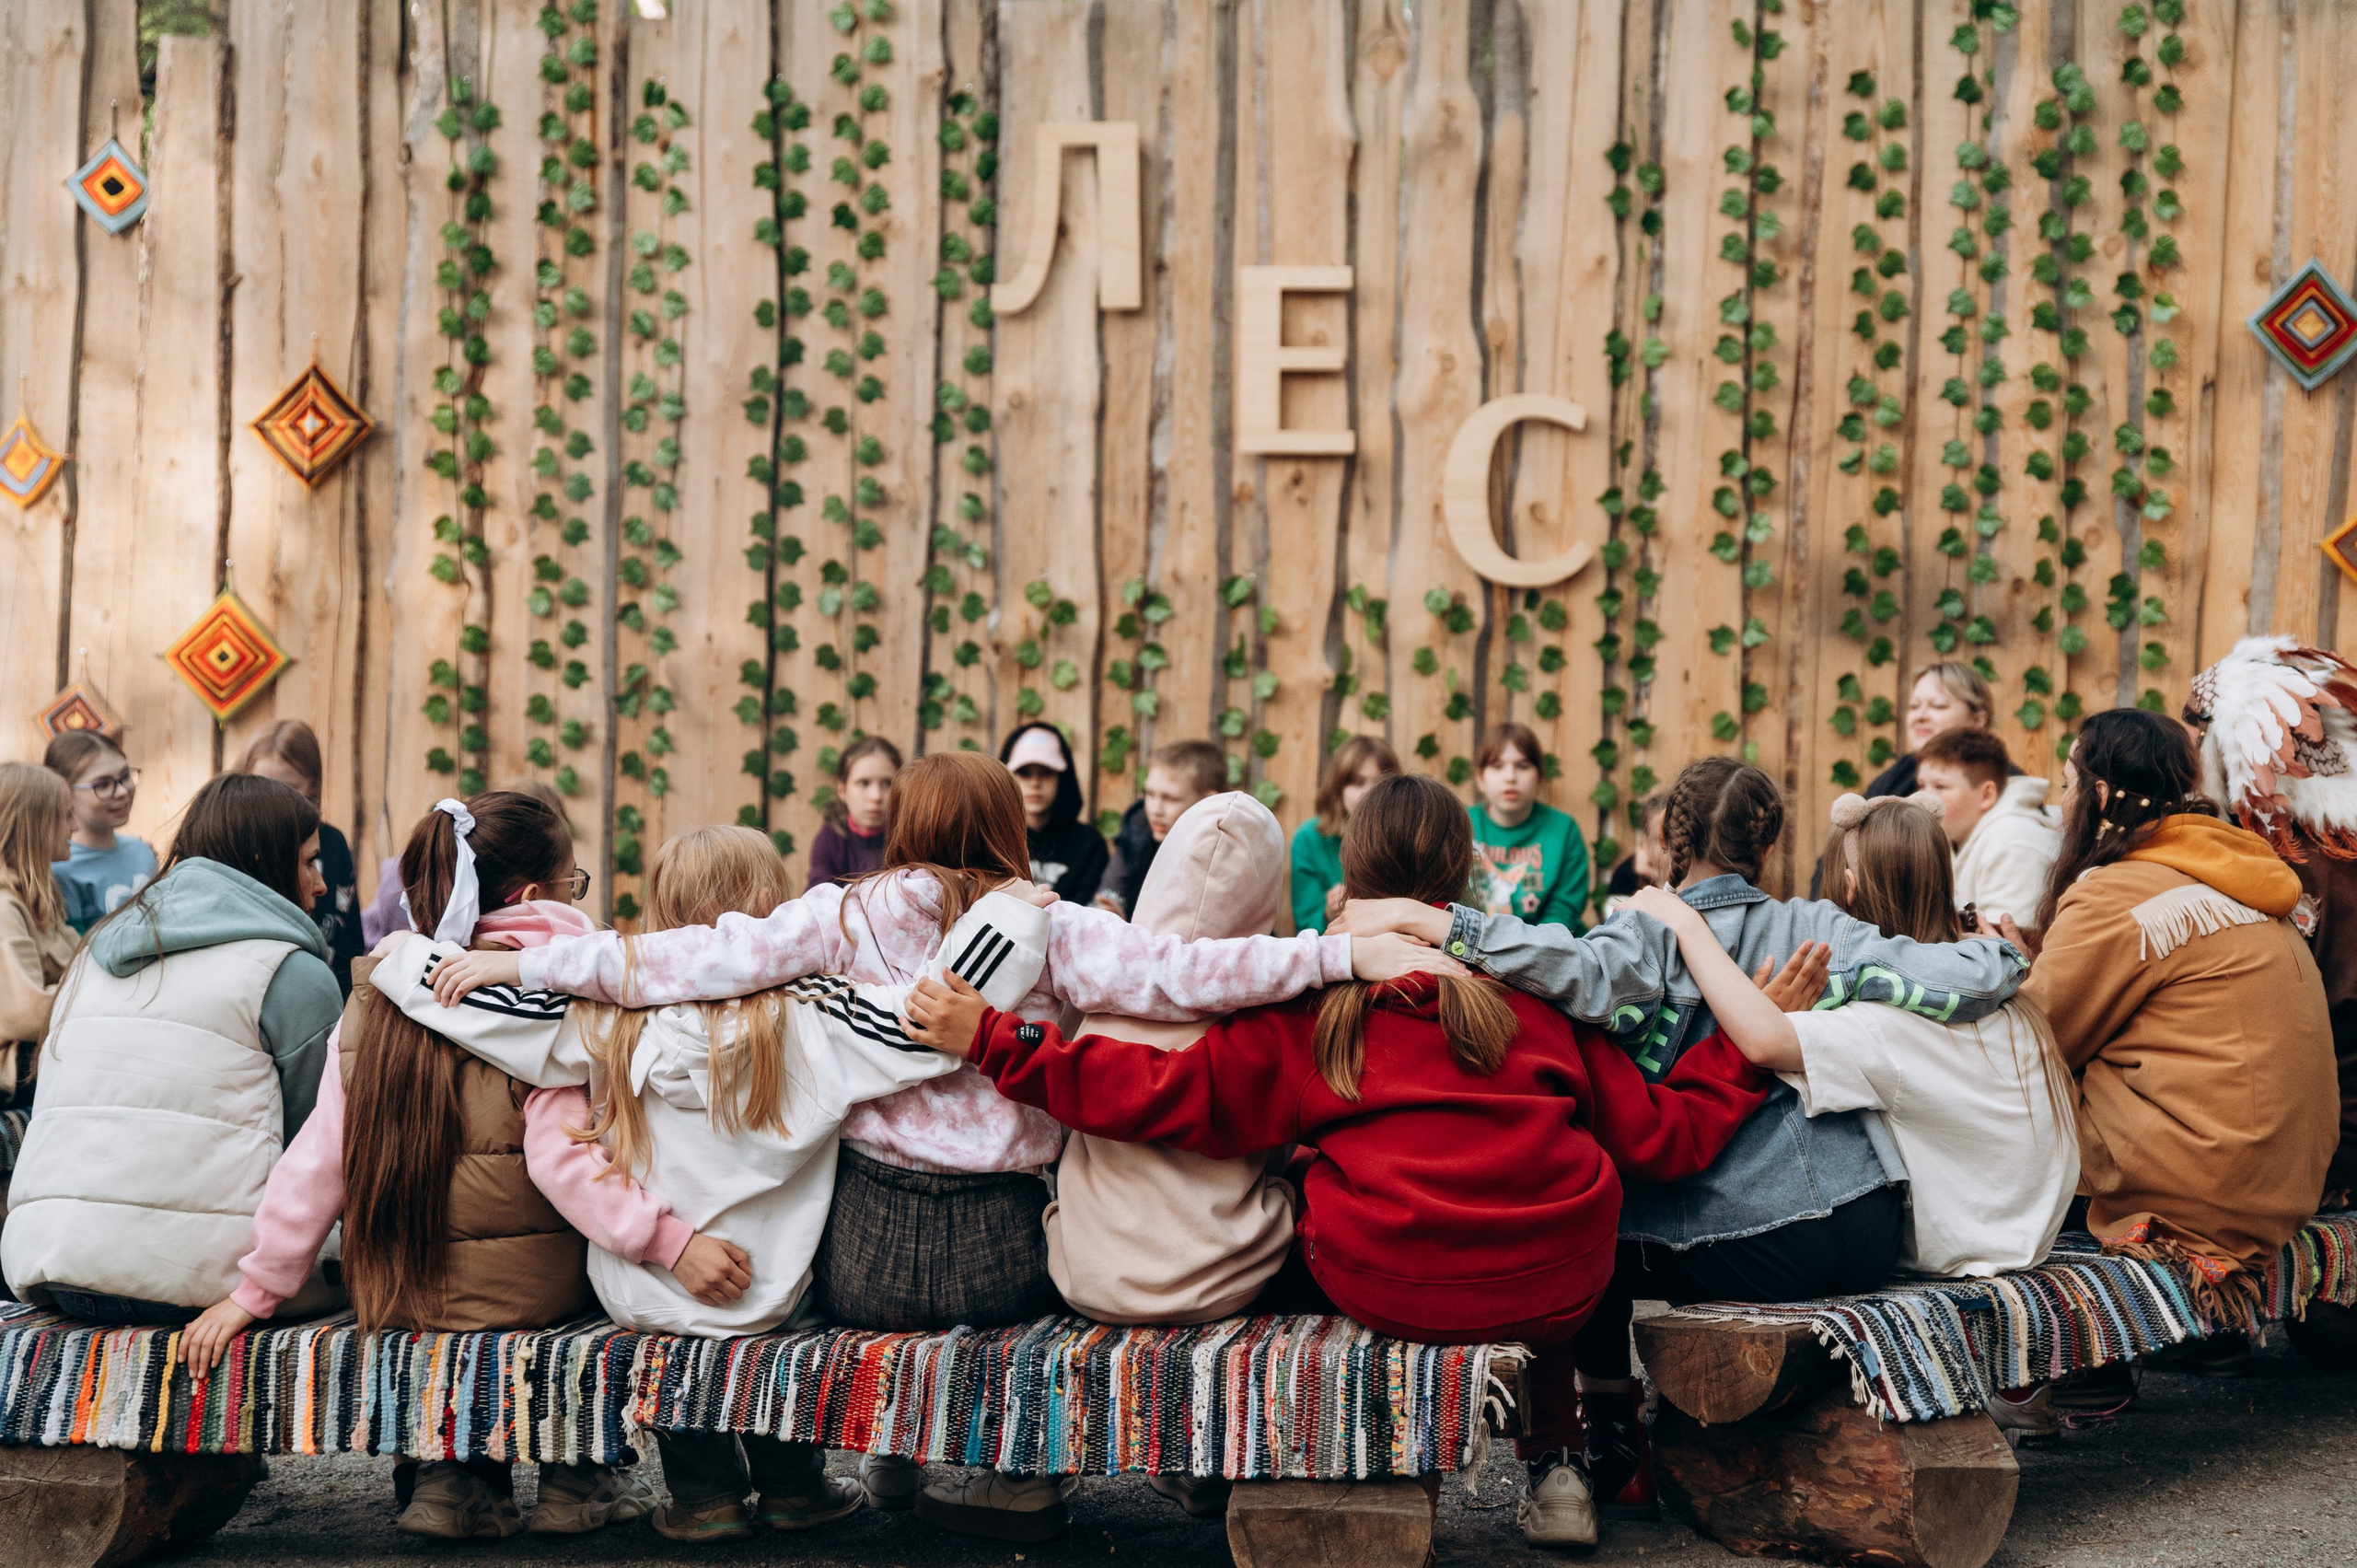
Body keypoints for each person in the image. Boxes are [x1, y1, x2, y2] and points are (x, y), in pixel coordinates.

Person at [421, 750, 1452, 1543]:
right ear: (1008, 831)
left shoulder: (842, 912)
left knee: (816, 1222)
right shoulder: (1051, 923)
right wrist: (1341, 949)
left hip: (866, 1254)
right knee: (1069, 1225)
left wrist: (552, 968)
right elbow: (1187, 970)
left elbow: (694, 958)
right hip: (1006, 1256)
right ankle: (1010, 1470)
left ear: (902, 828)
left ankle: (889, 1462)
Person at [901, 773, 1791, 1551]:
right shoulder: (1539, 1001)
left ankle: (1234, 1451)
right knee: (1545, 1190)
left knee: (1294, 1188)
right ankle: (1558, 1464)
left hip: (1389, 1284)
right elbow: (1662, 1139)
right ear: (1467, 875)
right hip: (1554, 1287)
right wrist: (1746, 1053)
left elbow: (1154, 1091)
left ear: (1346, 875)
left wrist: (994, 1038)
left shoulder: (1322, 1012)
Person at [1334, 755, 2026, 1519]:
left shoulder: (1641, 933)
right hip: (1863, 1218)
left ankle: (1611, 1450)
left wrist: (1448, 924)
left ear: (1669, 836)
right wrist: (2000, 944)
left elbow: (1570, 970)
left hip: (1742, 1236)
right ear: (1766, 846)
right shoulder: (1818, 925)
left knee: (1587, 1226)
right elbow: (1967, 977)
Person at [366, 823, 1051, 1542]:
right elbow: (927, 1017)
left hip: (646, 1287)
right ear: (766, 905)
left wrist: (403, 957)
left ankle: (703, 1499)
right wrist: (1012, 918)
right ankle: (794, 1490)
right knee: (789, 1319)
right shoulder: (818, 1014)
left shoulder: (610, 1019)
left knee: (671, 1338)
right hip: (769, 1287)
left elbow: (493, 1013)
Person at [177, 792, 681, 1540]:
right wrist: (667, 1240)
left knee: (462, 1283)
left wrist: (254, 1292)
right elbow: (562, 1159)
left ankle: (456, 1481)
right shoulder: (545, 995)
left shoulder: (378, 996)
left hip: (399, 1286)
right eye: (575, 884)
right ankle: (580, 1475)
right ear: (534, 896)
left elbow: (320, 1159)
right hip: (534, 1291)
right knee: (609, 1263)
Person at [2004, 707, 2336, 1390]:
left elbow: (2033, 1045)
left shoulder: (2116, 891)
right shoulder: (2231, 871)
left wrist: (2010, 977)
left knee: (2002, 1090)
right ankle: (2190, 1341)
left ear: (2098, 795)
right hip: (2285, 1178)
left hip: (2202, 1191)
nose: (2061, 801)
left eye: (2068, 783)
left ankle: (2079, 1363)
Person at [2, 774, 342, 1322]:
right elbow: (320, 1149)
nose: (321, 885)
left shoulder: (93, 954)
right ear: (265, 859)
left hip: (48, 1261)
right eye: (309, 862)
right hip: (201, 1278)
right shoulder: (292, 974)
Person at [240, 720, 365, 995]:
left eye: (288, 789)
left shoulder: (332, 844)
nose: (276, 801)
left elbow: (350, 942)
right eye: (263, 786)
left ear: (313, 784)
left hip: (322, 998)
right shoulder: (236, 844)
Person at [1915, 727, 2059, 928]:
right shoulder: (1959, 834)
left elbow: (2010, 950)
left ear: (1986, 795)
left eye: (1941, 787)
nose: (1922, 799)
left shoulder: (2012, 845)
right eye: (1922, 785)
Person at [0, 763, 78, 1107]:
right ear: (36, 825)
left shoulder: (42, 895)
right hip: (15, 1073)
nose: (74, 827)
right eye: (66, 816)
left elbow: (85, 957)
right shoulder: (5, 909)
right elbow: (28, 1015)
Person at [1468, 723, 1590, 933]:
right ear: (1480, 778)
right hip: (1472, 944)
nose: (1510, 777)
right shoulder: (1459, 824)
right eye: (1497, 766)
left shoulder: (1564, 830)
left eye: (1522, 766)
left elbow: (1564, 909)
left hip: (1546, 946)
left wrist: (1529, 949)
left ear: (1539, 777)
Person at [1097, 739, 1225, 918]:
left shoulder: (1228, 855)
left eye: (1170, 798)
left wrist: (1131, 930)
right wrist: (1112, 916)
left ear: (1208, 802)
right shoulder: (1137, 830)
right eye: (1150, 794)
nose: (1155, 810)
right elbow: (1108, 894)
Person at [43, 732, 157, 934]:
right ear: (65, 792)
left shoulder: (142, 851)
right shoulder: (59, 869)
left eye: (125, 776)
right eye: (102, 785)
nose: (122, 792)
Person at [1290, 736, 1399, 934]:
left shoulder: (1407, 837)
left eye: (1379, 783)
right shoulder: (1309, 839)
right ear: (1338, 789)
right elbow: (1305, 927)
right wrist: (1328, 914)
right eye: (1358, 783)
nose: (1368, 793)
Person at [999, 722, 1107, 904]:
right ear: (1005, 777)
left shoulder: (1089, 845)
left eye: (1046, 773)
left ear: (1062, 779)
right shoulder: (991, 839)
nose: (1035, 783)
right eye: (1024, 773)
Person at [808, 736, 900, 888]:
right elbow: (817, 900)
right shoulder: (830, 840)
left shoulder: (908, 839)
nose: (876, 796)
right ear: (842, 790)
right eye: (864, 783)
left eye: (887, 784)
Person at [1602, 795, 1669, 917]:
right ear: (1645, 842)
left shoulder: (1696, 870)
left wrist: (1658, 878)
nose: (1671, 849)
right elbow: (1615, 922)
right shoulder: (1625, 875)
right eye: (1661, 840)